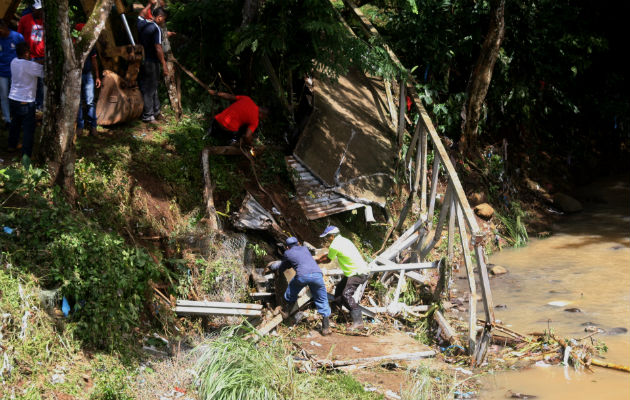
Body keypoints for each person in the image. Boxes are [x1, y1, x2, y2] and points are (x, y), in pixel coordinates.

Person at [268, 237, 332, 335]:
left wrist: (274, 267)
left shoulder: (288, 253)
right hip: (317, 275)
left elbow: (284, 266)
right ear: (298, 243)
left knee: (291, 290)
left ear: (287, 247)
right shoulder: (304, 249)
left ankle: (286, 312)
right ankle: (326, 328)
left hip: (302, 276)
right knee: (322, 298)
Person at [315, 226, 369, 329]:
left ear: (332, 236)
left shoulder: (334, 245)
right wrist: (320, 258)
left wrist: (317, 260)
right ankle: (340, 315)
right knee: (339, 292)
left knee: (346, 294)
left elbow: (328, 259)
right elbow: (328, 255)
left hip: (357, 273)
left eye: (327, 237)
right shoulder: (345, 240)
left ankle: (358, 321)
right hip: (354, 272)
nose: (326, 240)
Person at [7, 42, 43, 158]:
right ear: (27, 53)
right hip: (26, 101)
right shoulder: (30, 66)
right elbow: (42, 70)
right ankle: (26, 155)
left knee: (15, 123)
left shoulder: (13, 62)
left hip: (13, 98)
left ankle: (11, 145)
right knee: (28, 128)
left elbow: (31, 65)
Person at [137, 1, 168, 123]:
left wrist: (149, 4)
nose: (164, 21)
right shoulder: (156, 29)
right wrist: (164, 64)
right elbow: (158, 48)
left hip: (143, 61)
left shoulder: (143, 24)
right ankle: (148, 115)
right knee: (149, 89)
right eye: (164, 19)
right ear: (159, 18)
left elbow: (140, 14)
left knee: (152, 87)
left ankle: (156, 111)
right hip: (152, 62)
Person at [74, 23, 101, 136]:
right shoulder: (74, 45)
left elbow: (94, 60)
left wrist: (97, 76)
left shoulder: (90, 44)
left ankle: (93, 126)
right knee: (78, 102)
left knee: (90, 101)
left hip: (88, 74)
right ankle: (80, 126)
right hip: (76, 75)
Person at [17, 0, 44, 111]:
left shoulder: (46, 19)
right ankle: (30, 104)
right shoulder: (25, 19)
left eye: (41, 10)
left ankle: (40, 105)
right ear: (33, 9)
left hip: (42, 56)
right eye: (38, 10)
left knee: (41, 82)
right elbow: (19, 37)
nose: (40, 12)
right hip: (29, 56)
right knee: (30, 81)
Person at [0, 20, 24, 128]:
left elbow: (24, 52)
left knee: (15, 96)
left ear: (5, 27)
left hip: (16, 73)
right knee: (4, 96)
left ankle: (17, 118)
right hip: (2, 72)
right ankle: (7, 120)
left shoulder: (17, 36)